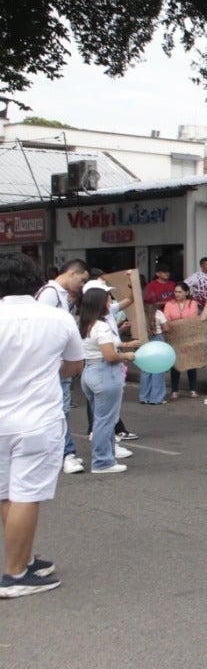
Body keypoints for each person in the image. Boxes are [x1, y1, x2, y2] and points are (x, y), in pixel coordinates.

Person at [0, 253, 85, 598]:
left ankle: (23, 559)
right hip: (37, 419)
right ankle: (15, 574)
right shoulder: (57, 318)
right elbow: (75, 364)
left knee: (7, 493)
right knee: (26, 494)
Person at [76, 287, 137, 474]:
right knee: (105, 420)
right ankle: (102, 461)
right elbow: (110, 355)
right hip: (104, 372)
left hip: (89, 370)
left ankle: (106, 457)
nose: (110, 303)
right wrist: (126, 355)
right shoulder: (101, 326)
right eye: (108, 300)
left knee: (101, 419)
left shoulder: (83, 323)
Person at [37, 259, 89, 474]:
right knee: (60, 410)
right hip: (55, 363)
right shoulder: (50, 293)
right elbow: (42, 328)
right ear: (72, 273)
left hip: (59, 362)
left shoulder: (59, 294)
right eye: (82, 279)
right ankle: (66, 453)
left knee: (61, 409)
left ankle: (62, 452)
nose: (82, 285)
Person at [162, 282, 203, 398]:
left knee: (191, 363)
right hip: (174, 337)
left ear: (187, 292)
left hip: (189, 336)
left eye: (180, 292)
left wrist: (178, 323)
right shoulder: (169, 304)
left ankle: (193, 389)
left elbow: (193, 318)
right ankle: (175, 390)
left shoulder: (193, 303)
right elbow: (166, 318)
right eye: (175, 292)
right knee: (175, 363)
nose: (177, 294)